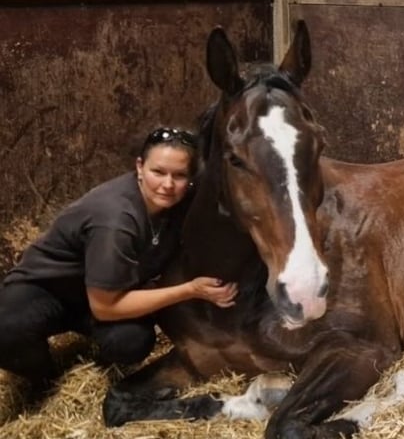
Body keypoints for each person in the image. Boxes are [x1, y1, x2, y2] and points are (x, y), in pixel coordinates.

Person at [0, 126, 239, 396]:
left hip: (108, 291)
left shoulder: (181, 202)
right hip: (49, 287)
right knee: (6, 333)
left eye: (180, 175)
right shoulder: (116, 219)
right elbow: (105, 308)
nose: (168, 184)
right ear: (139, 167)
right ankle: (46, 380)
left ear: (192, 178)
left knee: (130, 342)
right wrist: (191, 290)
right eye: (158, 172)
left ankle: (99, 360)